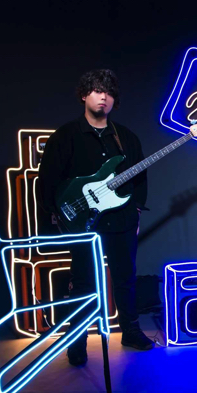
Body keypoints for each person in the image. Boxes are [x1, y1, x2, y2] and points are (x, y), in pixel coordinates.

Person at [39, 69, 154, 367]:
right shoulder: (66, 135)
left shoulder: (126, 138)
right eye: (97, 90)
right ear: (83, 95)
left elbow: (141, 177)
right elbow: (48, 178)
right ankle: (77, 342)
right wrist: (57, 215)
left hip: (122, 219)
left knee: (125, 277)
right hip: (83, 222)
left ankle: (131, 332)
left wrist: (136, 209)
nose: (104, 97)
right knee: (82, 282)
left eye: (109, 92)